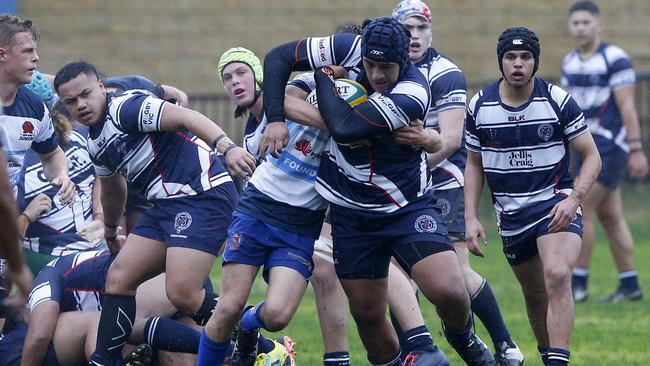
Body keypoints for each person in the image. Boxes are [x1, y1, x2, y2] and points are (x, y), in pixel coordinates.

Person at [259, 17, 495, 365]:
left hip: (405, 206)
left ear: (404, 61)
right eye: (370, 65)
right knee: (368, 316)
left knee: (449, 290)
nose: (377, 74)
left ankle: (463, 336)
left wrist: (324, 77)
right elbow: (278, 57)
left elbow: (345, 127)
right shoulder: (348, 47)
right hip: (351, 213)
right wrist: (276, 118)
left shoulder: (414, 91)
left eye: (386, 67)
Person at [53, 60, 255, 366]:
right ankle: (104, 361)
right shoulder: (94, 141)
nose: (80, 105)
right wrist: (109, 229)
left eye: (85, 94)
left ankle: (258, 339)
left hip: (202, 193)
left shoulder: (125, 108)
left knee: (183, 292)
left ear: (100, 86)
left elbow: (187, 116)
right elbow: (112, 189)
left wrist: (228, 148)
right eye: (71, 101)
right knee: (119, 278)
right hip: (166, 206)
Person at [391, 1, 524, 364]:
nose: (414, 36)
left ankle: (503, 343)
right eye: (406, 29)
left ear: (431, 31)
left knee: (458, 272)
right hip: (394, 187)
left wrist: (404, 171)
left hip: (442, 180)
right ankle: (412, 354)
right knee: (397, 276)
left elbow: (450, 140)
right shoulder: (385, 70)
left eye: (421, 28)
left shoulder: (445, 72)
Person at [464, 27, 601, 366]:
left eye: (525, 57)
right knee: (535, 294)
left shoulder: (557, 100)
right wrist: (469, 216)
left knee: (556, 275)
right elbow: (473, 164)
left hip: (555, 203)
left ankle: (558, 361)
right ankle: (548, 355)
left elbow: (592, 156)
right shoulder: (480, 106)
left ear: (535, 62)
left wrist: (574, 199)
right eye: (511, 57)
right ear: (501, 62)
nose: (518, 64)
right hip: (511, 216)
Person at [196, 46, 338, 366]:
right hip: (258, 211)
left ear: (259, 76)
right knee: (228, 307)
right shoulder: (252, 136)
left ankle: (249, 328)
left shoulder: (309, 88)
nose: (235, 82)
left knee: (276, 315)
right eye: (227, 77)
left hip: (300, 224)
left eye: (241, 72)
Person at [561, 0, 649, 303]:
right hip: (583, 148)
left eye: (586, 22)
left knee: (580, 209)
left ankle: (579, 286)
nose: (581, 28)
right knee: (611, 216)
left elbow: (626, 107)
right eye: (576, 23)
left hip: (609, 147)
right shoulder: (570, 61)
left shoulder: (615, 59)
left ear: (598, 24)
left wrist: (636, 149)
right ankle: (630, 285)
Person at [16, 100, 105, 274]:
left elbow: (103, 173)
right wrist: (26, 217)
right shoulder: (14, 169)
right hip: (49, 255)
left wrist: (99, 217)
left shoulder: (77, 137)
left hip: (96, 243)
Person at [0, 14, 74, 201]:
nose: (36, 58)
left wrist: (62, 175)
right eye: (27, 51)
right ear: (2, 54)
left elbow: (52, 155)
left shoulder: (35, 108)